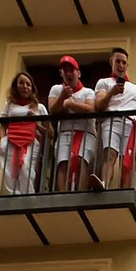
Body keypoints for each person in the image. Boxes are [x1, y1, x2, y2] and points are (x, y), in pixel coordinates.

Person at [91, 47, 136, 191]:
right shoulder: (103, 83)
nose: (121, 65)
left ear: (127, 65)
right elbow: (99, 105)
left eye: (124, 62)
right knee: (110, 155)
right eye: (118, 61)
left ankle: (124, 191)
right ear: (111, 62)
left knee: (128, 163)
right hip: (111, 122)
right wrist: (112, 92)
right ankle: (104, 183)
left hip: (131, 125)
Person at [48, 55, 96, 194]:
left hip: (85, 132)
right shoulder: (56, 90)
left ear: (78, 73)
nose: (68, 73)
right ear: (61, 73)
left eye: (71, 70)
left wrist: (69, 104)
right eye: (65, 70)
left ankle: (81, 194)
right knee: (63, 163)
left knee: (82, 161)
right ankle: (63, 195)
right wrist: (62, 97)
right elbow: (52, 110)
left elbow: (90, 108)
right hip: (65, 132)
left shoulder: (88, 92)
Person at [0, 72, 48, 196]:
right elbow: (3, 125)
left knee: (25, 168)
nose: (25, 86)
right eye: (21, 83)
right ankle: (14, 196)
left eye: (28, 84)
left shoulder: (39, 107)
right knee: (10, 170)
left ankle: (28, 197)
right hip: (11, 140)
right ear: (16, 86)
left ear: (32, 88)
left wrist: (35, 123)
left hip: (30, 141)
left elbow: (50, 132)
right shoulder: (9, 105)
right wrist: (2, 140)